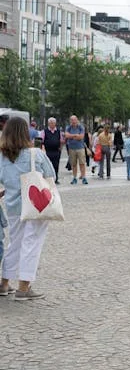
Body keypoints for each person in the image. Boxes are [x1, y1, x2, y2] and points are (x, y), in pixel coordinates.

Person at [0, 117, 56, 300]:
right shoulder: (35, 154)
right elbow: (51, 175)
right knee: (31, 244)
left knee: (14, 243)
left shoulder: (2, 157)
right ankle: (24, 287)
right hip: (35, 206)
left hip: (13, 207)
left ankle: (4, 283)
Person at [64, 115, 88, 185]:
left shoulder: (81, 127)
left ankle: (83, 177)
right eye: (72, 120)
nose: (73, 121)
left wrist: (71, 136)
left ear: (77, 120)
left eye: (74, 120)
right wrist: (75, 135)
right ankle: (74, 177)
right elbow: (66, 135)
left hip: (80, 147)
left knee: (82, 163)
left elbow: (81, 137)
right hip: (71, 148)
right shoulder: (68, 127)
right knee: (73, 164)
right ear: (70, 121)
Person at [41, 117, 63, 184]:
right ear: (48, 123)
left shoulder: (59, 131)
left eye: (53, 123)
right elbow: (41, 141)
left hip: (56, 151)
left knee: (56, 165)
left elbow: (61, 141)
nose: (52, 124)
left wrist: (60, 149)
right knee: (47, 166)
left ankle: (56, 179)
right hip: (47, 151)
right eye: (51, 123)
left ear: (55, 123)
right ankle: (48, 179)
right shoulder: (44, 131)